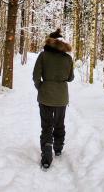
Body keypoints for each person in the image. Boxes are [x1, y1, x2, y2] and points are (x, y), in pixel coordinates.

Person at [33, 28, 74, 169]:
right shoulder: (68, 59)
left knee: (46, 125)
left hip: (45, 97)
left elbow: (36, 76)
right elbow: (70, 78)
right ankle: (58, 148)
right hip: (62, 97)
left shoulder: (43, 56)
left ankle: (46, 156)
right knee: (59, 123)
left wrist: (42, 88)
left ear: (50, 42)